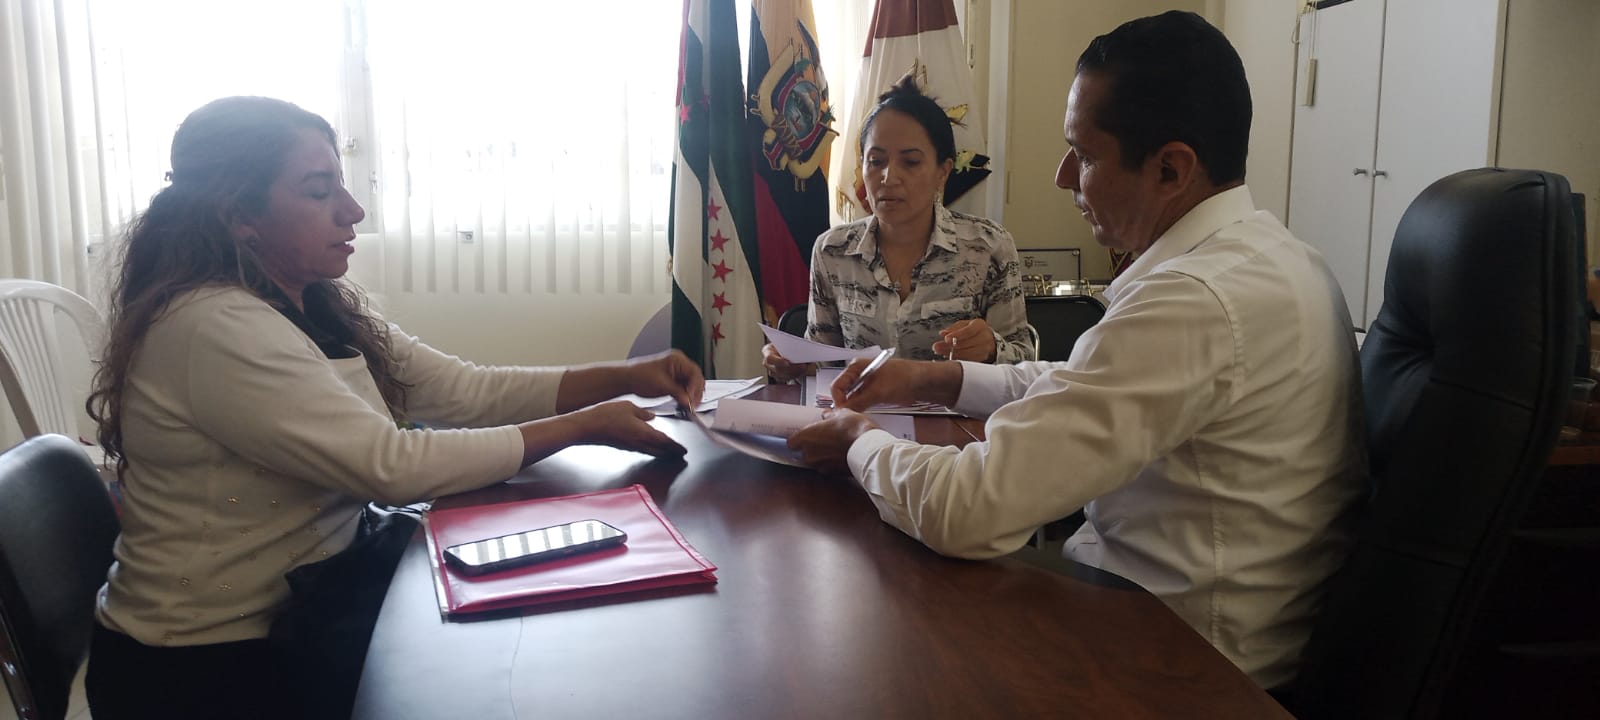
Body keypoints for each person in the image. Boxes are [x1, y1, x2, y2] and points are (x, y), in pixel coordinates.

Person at [788, 11, 1365, 690]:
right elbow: (1079, 379)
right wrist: (931, 378)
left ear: (1171, 168)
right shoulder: (1274, 257)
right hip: (1160, 609)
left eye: (1085, 156)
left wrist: (857, 439)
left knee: (869, 647)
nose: (1064, 176)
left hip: (1180, 663)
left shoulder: (1194, 302)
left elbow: (968, 510)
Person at [82, 96, 704, 718]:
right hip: (203, 668)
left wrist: (624, 377)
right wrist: (583, 427)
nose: (352, 210)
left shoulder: (308, 301)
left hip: (305, 614)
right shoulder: (212, 324)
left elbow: (463, 390)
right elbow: (393, 466)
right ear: (240, 213)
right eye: (319, 191)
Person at [762, 76, 1032, 382]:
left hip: (955, 410)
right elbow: (824, 363)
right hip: (861, 410)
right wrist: (793, 363)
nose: (888, 178)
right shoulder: (832, 251)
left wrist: (992, 349)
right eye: (876, 161)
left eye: (911, 162)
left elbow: (1025, 363)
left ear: (943, 172)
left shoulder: (988, 246)